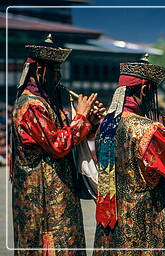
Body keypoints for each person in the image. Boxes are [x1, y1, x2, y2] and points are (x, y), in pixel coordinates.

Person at [93, 56, 165, 255]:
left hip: (113, 220)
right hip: (145, 220)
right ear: (145, 89)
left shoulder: (105, 126)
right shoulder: (147, 128)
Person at [11, 34, 102, 255]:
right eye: (55, 72)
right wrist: (80, 117)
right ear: (41, 71)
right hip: (42, 196)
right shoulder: (30, 105)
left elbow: (71, 136)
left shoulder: (48, 102)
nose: (59, 78)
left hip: (59, 190)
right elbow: (58, 144)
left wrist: (90, 119)